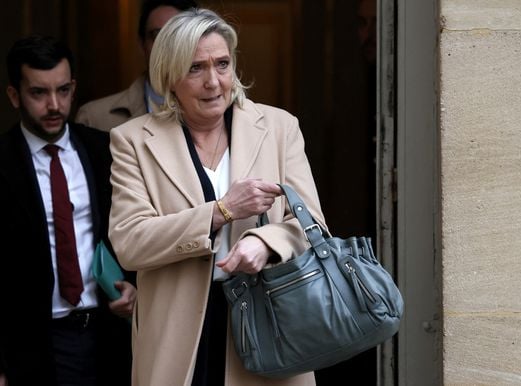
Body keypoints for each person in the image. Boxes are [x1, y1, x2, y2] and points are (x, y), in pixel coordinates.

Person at [108, 7, 326, 386]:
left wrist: (265, 243)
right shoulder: (132, 141)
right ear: (169, 76)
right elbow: (130, 242)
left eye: (222, 64)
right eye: (196, 68)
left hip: (269, 320)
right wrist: (221, 211)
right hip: (177, 333)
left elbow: (312, 225)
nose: (213, 81)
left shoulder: (279, 127)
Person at [0, 35, 136, 386]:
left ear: (73, 88)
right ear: (14, 95)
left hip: (107, 334)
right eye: (38, 93)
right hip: (32, 345)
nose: (54, 105)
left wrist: (136, 287)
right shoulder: (3, 162)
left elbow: (133, 228)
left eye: (62, 90)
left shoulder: (104, 150)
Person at [75, 0, 197, 131]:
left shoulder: (218, 112)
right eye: (157, 35)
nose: (165, 45)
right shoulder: (94, 119)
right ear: (142, 44)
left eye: (177, 34)